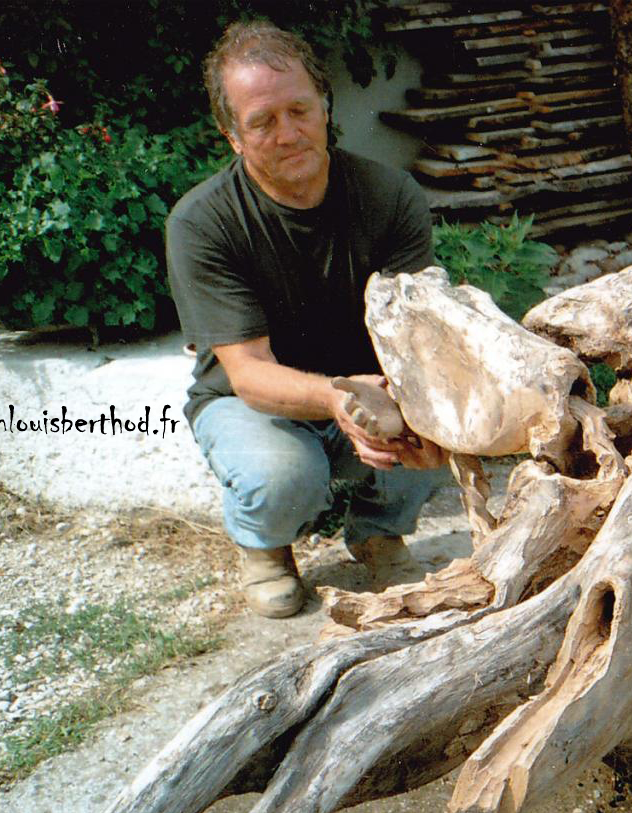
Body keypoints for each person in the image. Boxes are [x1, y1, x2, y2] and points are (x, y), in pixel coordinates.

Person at [166, 20, 447, 619]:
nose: (288, 134)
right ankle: (265, 546)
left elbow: (417, 332)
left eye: (299, 110)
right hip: (252, 398)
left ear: (324, 106)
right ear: (232, 136)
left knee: (436, 419)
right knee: (283, 474)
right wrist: (339, 402)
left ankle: (379, 532)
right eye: (262, 121)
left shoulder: (389, 194)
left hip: (371, 383)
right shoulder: (201, 223)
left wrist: (402, 404)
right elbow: (247, 374)